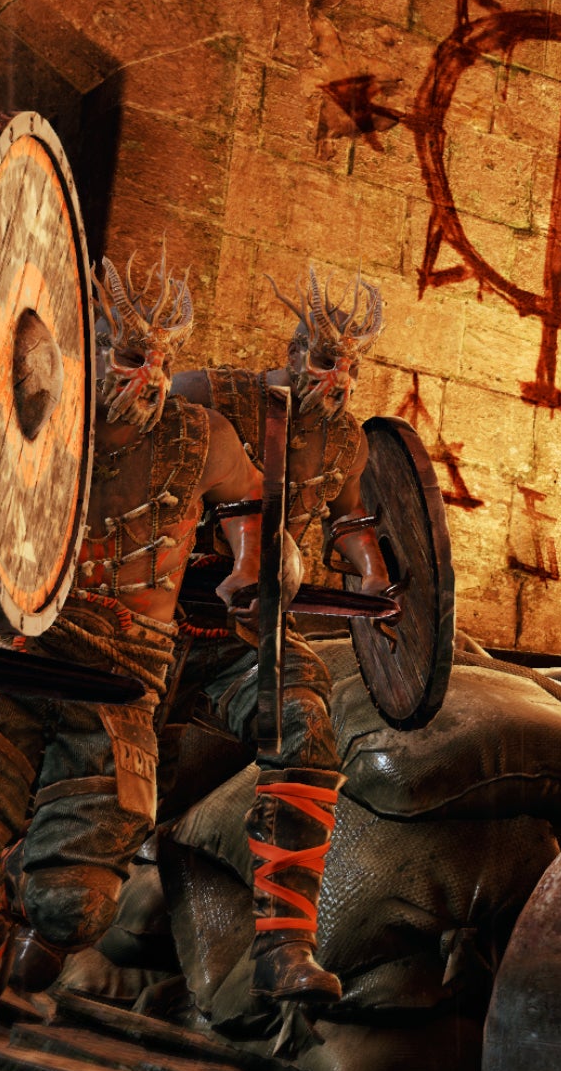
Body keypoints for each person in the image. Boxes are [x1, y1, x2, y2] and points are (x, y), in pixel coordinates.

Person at [0, 250, 262, 1071]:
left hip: (118, 684)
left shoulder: (201, 439)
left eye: (161, 357)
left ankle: (30, 930)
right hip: (7, 658)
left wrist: (250, 565)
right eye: (129, 355)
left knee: (76, 903)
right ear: (93, 349)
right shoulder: (28, 419)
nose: (148, 375)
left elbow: (250, 499)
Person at [161, 271, 391, 1025]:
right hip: (148, 622)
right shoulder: (208, 396)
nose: (339, 379)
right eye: (325, 361)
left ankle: (284, 946)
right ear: (293, 353)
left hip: (244, 636)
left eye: (351, 366)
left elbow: (351, 523)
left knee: (304, 719)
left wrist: (376, 582)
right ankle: (21, 912)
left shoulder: (344, 440)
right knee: (108, 781)